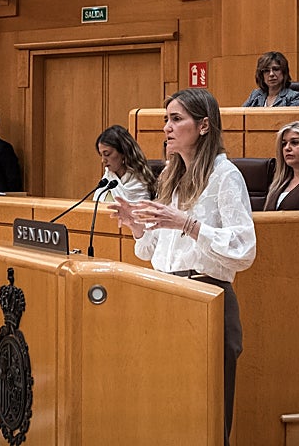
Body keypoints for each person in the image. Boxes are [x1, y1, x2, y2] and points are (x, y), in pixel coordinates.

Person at [111, 88, 256, 445]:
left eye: (177, 119)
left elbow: (244, 248)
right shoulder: (171, 178)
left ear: (204, 126)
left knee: (207, 412)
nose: (167, 128)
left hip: (208, 297)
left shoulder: (226, 176)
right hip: (168, 296)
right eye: (166, 119)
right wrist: (136, 225)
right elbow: (152, 252)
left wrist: (189, 225)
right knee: (169, 404)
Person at [93, 124, 155, 202]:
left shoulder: (140, 183)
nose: (103, 160)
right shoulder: (107, 181)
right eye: (101, 155)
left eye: (107, 154)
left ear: (123, 152)